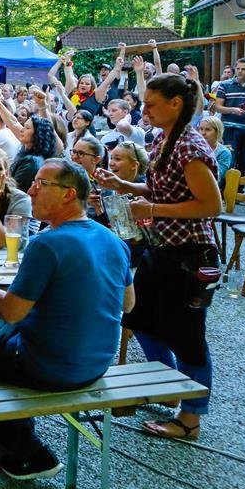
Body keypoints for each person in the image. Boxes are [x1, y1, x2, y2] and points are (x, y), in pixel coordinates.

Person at [0, 158, 134, 480]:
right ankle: (11, 434)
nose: (31, 189)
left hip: (51, 369)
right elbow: (128, 304)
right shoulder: (113, 240)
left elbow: (12, 311)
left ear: (69, 194)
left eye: (41, 184)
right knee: (0, 336)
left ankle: (22, 446)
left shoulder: (47, 243)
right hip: (98, 363)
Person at [95, 73, 221, 441]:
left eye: (150, 104)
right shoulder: (166, 138)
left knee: (188, 337)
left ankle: (190, 418)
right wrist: (123, 185)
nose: (144, 109)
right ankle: (168, 385)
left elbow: (211, 205)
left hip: (189, 254)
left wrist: (152, 208)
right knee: (139, 319)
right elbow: (159, 188)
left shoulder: (191, 147)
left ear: (175, 104)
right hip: (160, 248)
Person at [215, 57, 245, 174]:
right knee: (229, 162)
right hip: (230, 128)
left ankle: (239, 190)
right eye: (238, 68)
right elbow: (218, 107)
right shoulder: (224, 85)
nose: (240, 71)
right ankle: (225, 191)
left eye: (243, 69)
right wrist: (233, 110)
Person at [197, 115, 233, 185]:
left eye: (208, 129)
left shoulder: (223, 152)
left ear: (218, 132)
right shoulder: (194, 146)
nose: (203, 133)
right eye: (201, 129)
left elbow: (217, 177)